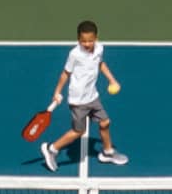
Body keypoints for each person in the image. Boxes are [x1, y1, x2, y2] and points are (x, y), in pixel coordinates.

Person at [40, 20, 127, 172]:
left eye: (90, 40)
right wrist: (57, 92)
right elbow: (65, 74)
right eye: (83, 41)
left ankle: (107, 152)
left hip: (92, 97)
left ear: (96, 38)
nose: (87, 44)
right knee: (78, 131)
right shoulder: (74, 54)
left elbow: (101, 64)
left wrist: (112, 80)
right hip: (78, 100)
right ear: (78, 39)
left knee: (105, 122)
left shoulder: (99, 49)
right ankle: (52, 149)